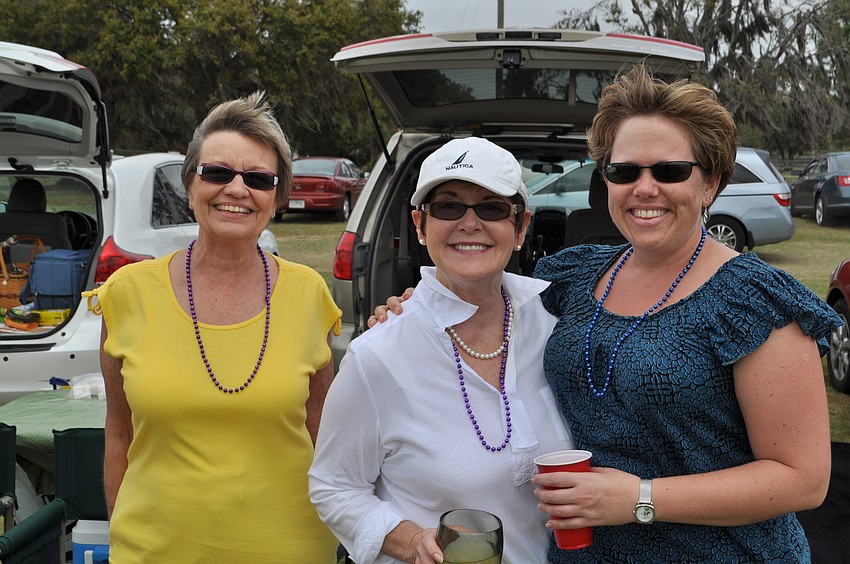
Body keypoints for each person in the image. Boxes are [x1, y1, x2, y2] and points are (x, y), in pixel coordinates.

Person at [372, 65, 842, 562]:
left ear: (711, 184)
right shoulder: (574, 277)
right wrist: (414, 308)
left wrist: (641, 498)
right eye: (624, 171)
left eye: (669, 171)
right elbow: (484, 299)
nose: (644, 187)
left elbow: (802, 479)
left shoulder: (752, 299)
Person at [85, 92, 340, 563]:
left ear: (278, 196)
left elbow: (323, 429)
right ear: (190, 184)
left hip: (290, 549)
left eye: (259, 179)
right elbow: (119, 431)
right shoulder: (126, 295)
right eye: (218, 172)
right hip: (154, 552)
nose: (237, 190)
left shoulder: (309, 296)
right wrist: (123, 529)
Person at [308, 137, 575, 564]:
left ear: (521, 227)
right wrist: (410, 540)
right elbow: (334, 487)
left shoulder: (556, 327)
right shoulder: (378, 355)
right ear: (420, 225)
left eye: (491, 207)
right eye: (449, 207)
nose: (470, 223)